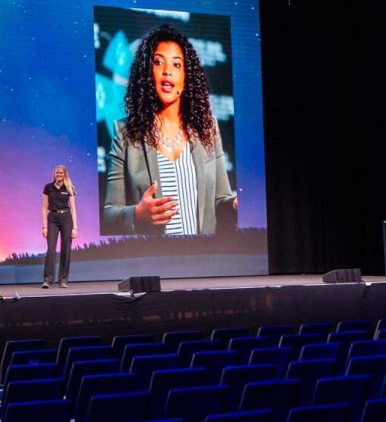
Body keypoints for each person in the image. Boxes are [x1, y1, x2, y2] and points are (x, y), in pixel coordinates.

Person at [102, 24, 238, 236]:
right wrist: (137, 213)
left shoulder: (207, 128)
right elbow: (109, 214)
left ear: (187, 77)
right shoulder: (125, 133)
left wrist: (236, 205)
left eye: (177, 64)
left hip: (205, 261)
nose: (167, 70)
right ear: (147, 73)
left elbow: (221, 200)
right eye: (158, 62)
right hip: (155, 261)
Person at [41, 164, 75, 288]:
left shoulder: (69, 188)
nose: (59, 174)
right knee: (51, 248)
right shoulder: (48, 187)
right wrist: (44, 226)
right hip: (52, 218)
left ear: (65, 174)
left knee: (66, 248)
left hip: (66, 218)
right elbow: (44, 207)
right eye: (57, 172)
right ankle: (48, 280)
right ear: (54, 174)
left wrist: (75, 227)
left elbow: (73, 208)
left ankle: (63, 280)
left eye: (61, 173)